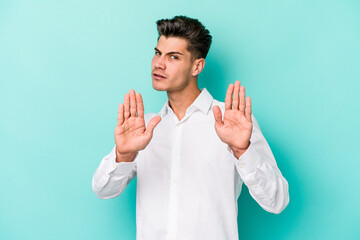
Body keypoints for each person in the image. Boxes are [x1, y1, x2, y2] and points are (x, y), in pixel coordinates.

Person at [92, 15, 289, 240]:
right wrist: (124, 154)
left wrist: (242, 150)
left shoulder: (234, 122)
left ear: (197, 66)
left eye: (173, 57)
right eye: (158, 53)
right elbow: (102, 190)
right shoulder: (143, 128)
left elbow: (278, 201)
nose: (159, 63)